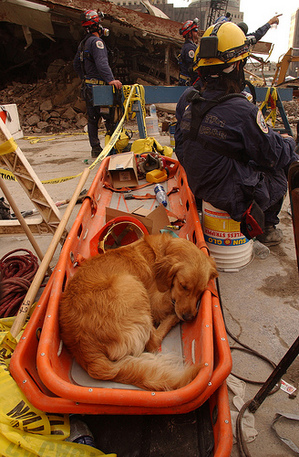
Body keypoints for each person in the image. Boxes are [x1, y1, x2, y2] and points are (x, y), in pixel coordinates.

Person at [175, 21, 298, 246]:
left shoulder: (189, 99)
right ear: (237, 67)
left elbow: (182, 145)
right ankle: (266, 227)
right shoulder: (241, 110)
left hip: (198, 184)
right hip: (226, 194)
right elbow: (273, 154)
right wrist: (288, 143)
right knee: (284, 161)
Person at [73, 10, 122, 158]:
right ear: (96, 25)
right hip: (100, 89)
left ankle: (95, 148)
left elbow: (76, 64)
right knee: (110, 118)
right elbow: (102, 63)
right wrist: (110, 80)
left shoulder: (83, 44)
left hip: (88, 88)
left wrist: (85, 78)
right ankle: (111, 148)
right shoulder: (97, 42)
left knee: (93, 120)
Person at [178, 19, 199, 86]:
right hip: (188, 84)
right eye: (195, 30)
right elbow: (192, 68)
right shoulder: (190, 48)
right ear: (189, 34)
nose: (197, 32)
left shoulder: (189, 46)